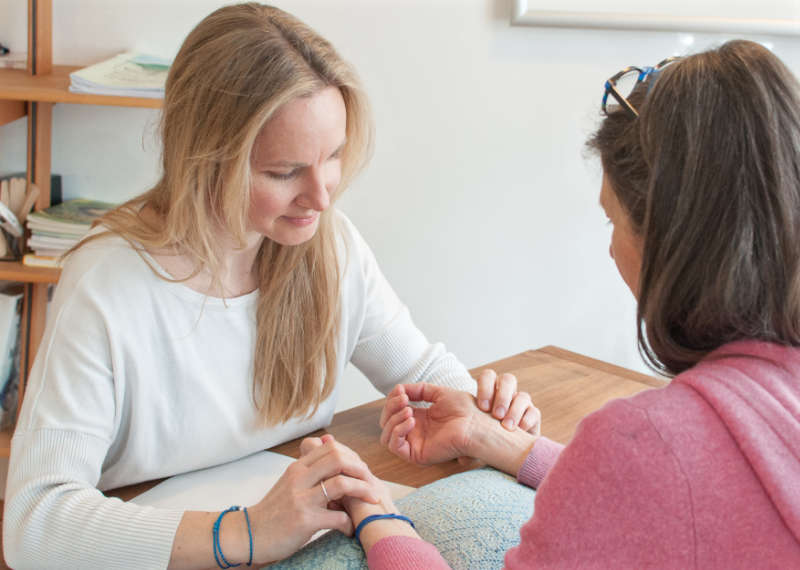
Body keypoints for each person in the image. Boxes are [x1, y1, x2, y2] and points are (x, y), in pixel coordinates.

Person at [2, 4, 539, 569]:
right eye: (285, 172)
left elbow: (421, 374)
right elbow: (35, 523)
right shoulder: (106, 286)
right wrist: (246, 532)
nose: (322, 196)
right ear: (205, 160)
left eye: (332, 157)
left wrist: (483, 420)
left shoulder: (329, 247)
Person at [332, 39, 800, 567]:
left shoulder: (643, 441)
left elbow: (643, 471)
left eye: (613, 220)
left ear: (670, 240)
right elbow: (650, 489)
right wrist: (495, 439)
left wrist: (378, 517)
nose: (610, 247)